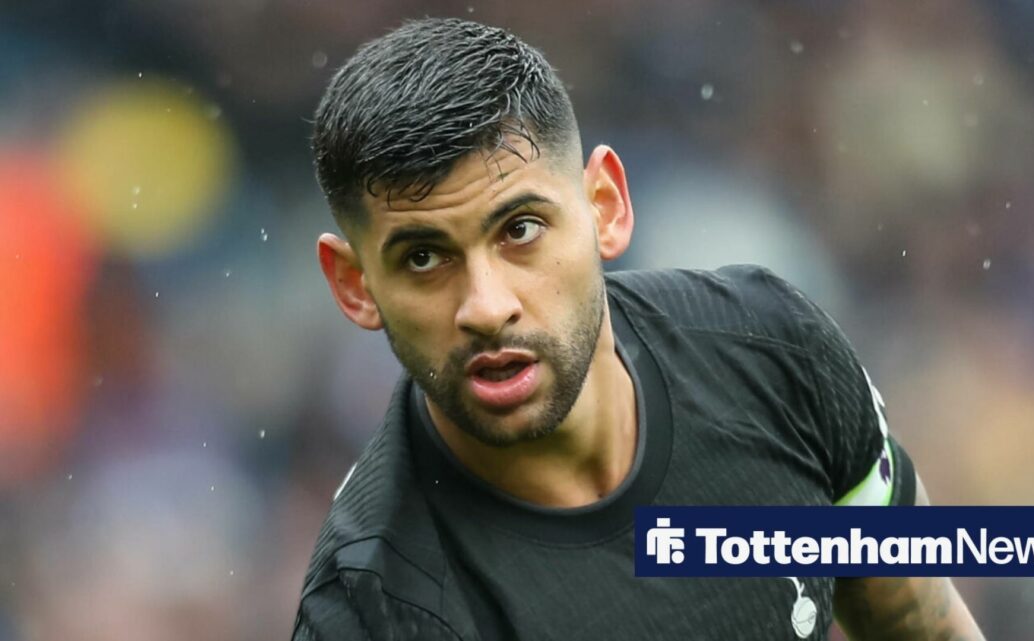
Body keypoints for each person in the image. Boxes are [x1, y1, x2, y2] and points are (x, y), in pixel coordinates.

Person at [293, 17, 985, 641]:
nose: (486, 304)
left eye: (521, 229)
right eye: (423, 257)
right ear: (355, 286)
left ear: (606, 207)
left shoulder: (775, 355)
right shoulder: (371, 610)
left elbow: (924, 625)